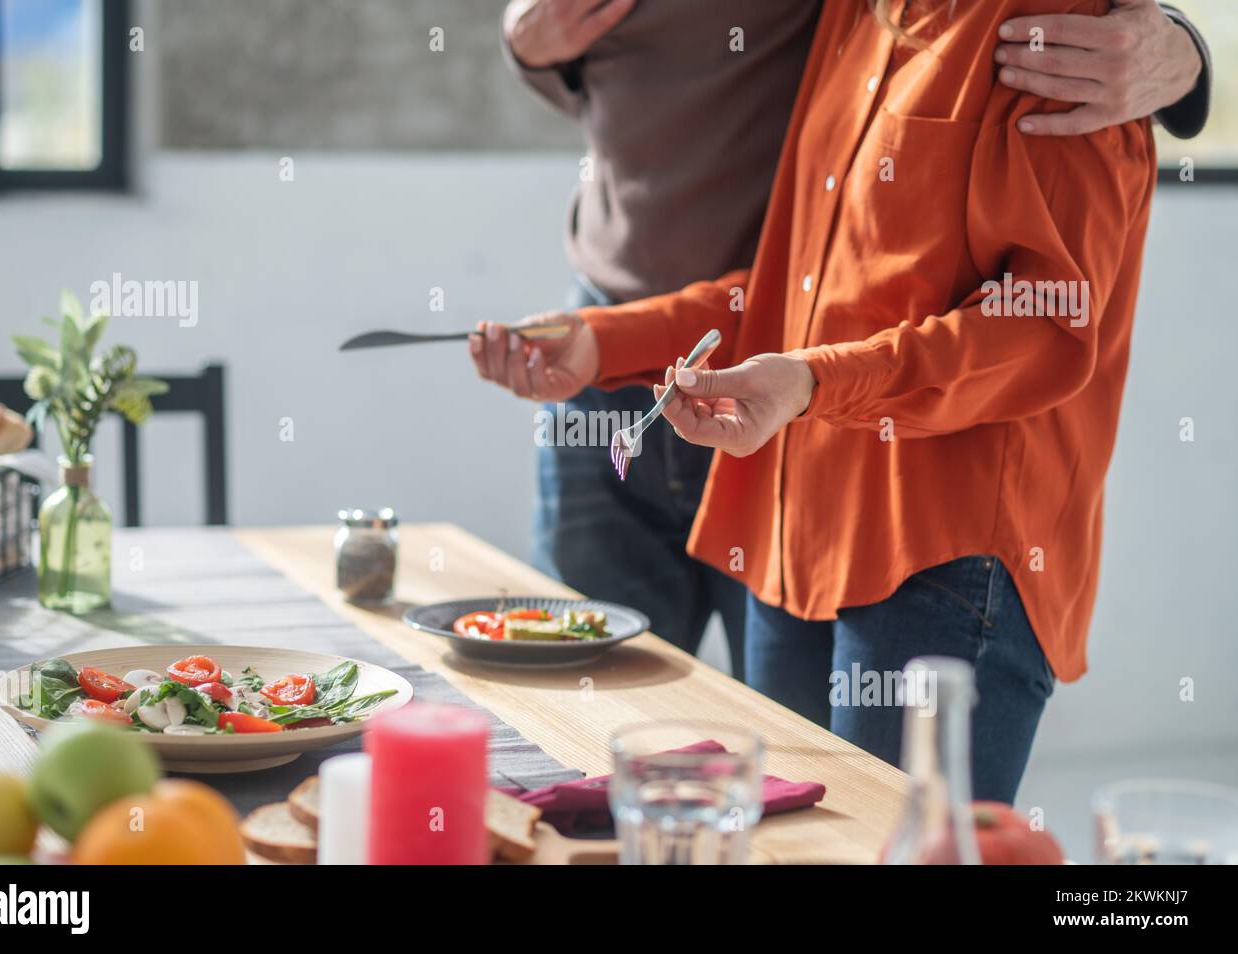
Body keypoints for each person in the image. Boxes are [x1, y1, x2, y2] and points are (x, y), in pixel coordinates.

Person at [476, 0, 1186, 803]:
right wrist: (606, 342)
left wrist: (819, 380)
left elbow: (1044, 328)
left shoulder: (1060, 36)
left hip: (944, 555)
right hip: (801, 534)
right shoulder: (853, 18)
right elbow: (796, 293)